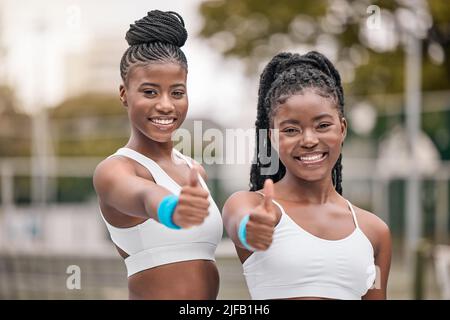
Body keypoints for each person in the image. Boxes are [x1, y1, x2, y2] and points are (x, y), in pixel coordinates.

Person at [222, 51, 392, 300]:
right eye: (291, 129)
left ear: (342, 129)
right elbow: (240, 223)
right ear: (272, 137)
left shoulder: (374, 232)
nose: (309, 140)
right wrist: (251, 229)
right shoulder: (250, 205)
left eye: (323, 126)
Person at [93, 10, 223, 300]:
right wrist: (173, 210)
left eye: (177, 93)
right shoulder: (115, 170)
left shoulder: (194, 171)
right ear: (124, 94)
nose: (166, 105)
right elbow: (144, 197)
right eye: (150, 92)